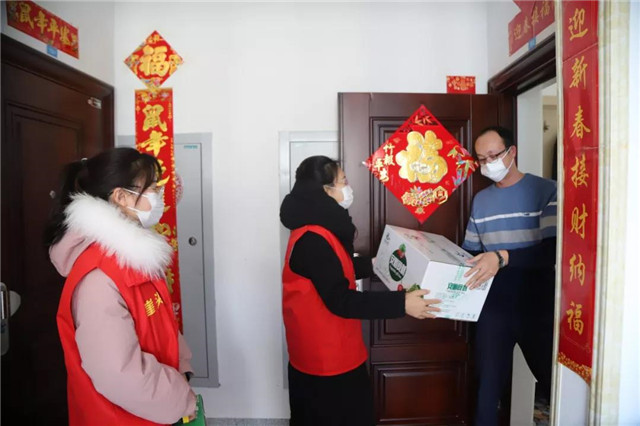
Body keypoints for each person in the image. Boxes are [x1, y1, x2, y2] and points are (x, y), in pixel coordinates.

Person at [280, 155, 441, 426]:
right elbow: (340, 300)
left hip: (332, 350)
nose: (349, 187)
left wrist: (376, 264)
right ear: (325, 191)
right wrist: (401, 303)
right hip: (325, 363)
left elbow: (334, 269)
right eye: (343, 181)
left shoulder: (318, 229)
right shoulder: (312, 240)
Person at [45, 147, 197, 425]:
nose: (159, 196)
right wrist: (180, 399)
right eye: (152, 189)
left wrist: (182, 369)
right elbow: (118, 374)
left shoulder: (134, 258)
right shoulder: (99, 278)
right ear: (121, 197)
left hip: (156, 407)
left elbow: (162, 324)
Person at [462, 127, 557, 426]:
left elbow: (553, 252)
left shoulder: (547, 190)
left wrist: (502, 257)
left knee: (555, 385)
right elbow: (470, 254)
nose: (488, 164)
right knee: (487, 390)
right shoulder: (481, 200)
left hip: (537, 304)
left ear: (512, 152)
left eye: (493, 155)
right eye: (481, 159)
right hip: (493, 306)